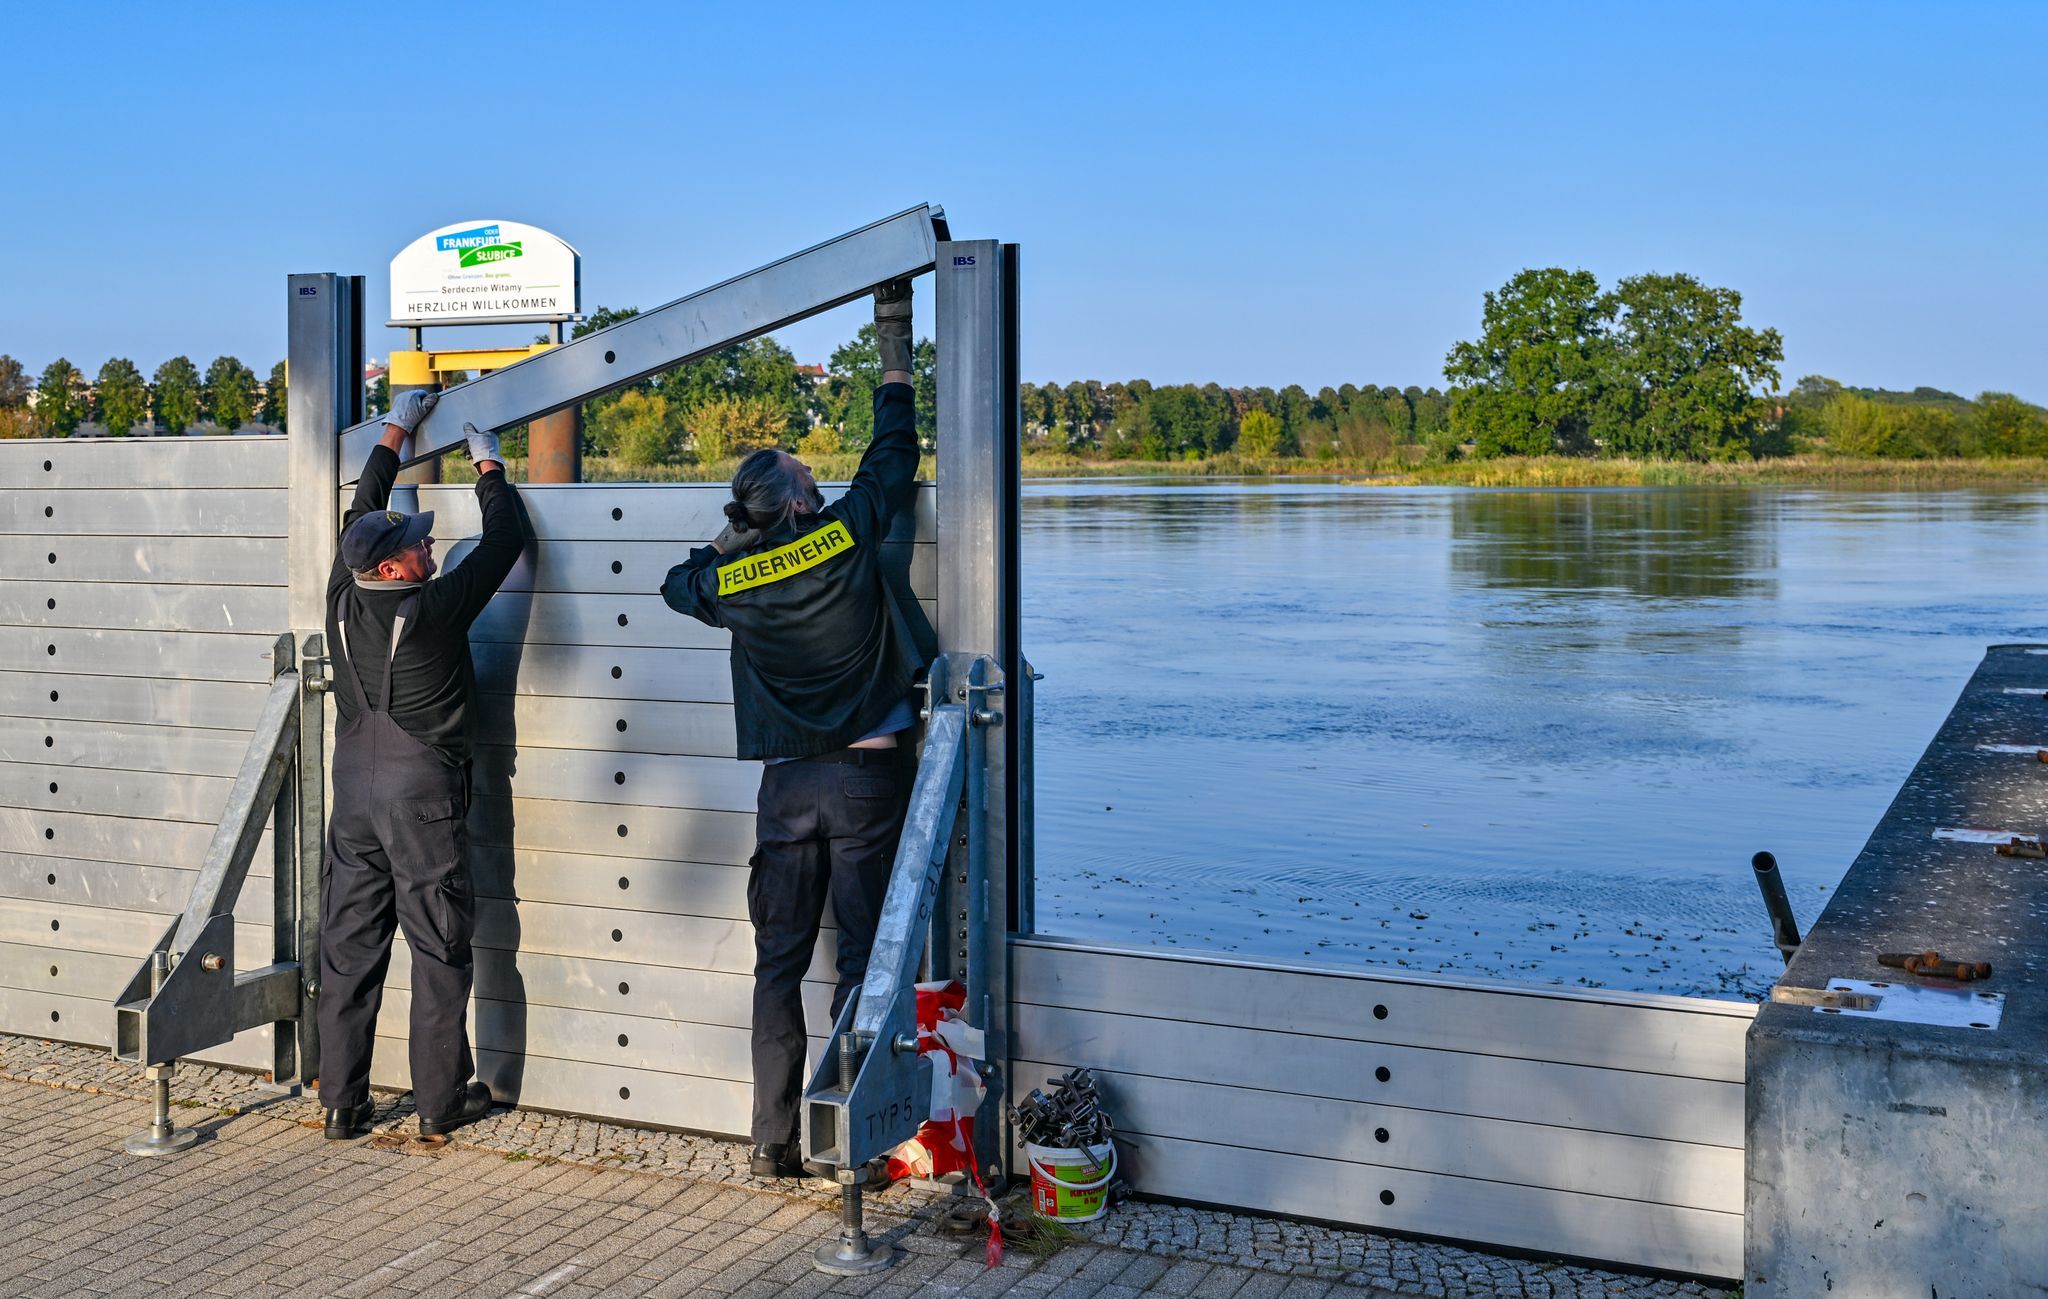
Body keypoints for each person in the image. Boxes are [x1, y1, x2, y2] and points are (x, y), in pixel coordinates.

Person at [661, 280, 925, 1177]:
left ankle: (772, 1141)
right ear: (806, 503)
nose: (820, 479)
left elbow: (677, 584)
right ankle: (853, 1137)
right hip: (866, 778)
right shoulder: (847, 534)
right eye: (811, 478)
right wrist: (894, 348)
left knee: (777, 966)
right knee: (862, 966)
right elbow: (894, 456)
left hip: (785, 791)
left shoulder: (732, 584)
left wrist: (731, 544)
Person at [318, 390, 527, 1141]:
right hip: (422, 798)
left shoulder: (341, 592)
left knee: (349, 942)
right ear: (396, 567)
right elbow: (506, 538)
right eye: (419, 544)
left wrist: (395, 429)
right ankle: (440, 1100)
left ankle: (341, 1101)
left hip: (353, 792)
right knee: (438, 943)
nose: (431, 549)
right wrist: (490, 466)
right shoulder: (435, 608)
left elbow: (362, 508)